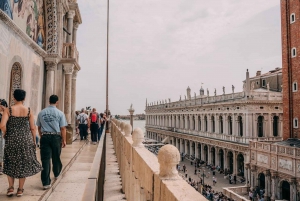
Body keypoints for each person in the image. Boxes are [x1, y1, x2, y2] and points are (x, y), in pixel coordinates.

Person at [0, 89, 42, 197]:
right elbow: (33, 128)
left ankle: (10, 188)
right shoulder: (28, 110)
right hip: (25, 140)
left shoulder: (8, 109)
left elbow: (2, 125)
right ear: (24, 98)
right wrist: (33, 140)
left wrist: (6, 134)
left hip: (12, 140)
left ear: (14, 97)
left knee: (10, 162)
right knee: (23, 164)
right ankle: (20, 189)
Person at [37, 95, 67, 190]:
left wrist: (42, 136)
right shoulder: (60, 113)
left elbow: (39, 127)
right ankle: (57, 172)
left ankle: (46, 182)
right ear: (57, 102)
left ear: (49, 101)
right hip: (55, 136)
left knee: (45, 159)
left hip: (45, 135)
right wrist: (64, 139)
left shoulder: (41, 113)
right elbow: (62, 128)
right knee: (56, 156)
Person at [0, 99, 8, 175]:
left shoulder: (6, 114)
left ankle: (1, 166)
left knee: (2, 151)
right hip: (2, 134)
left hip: (3, 136)